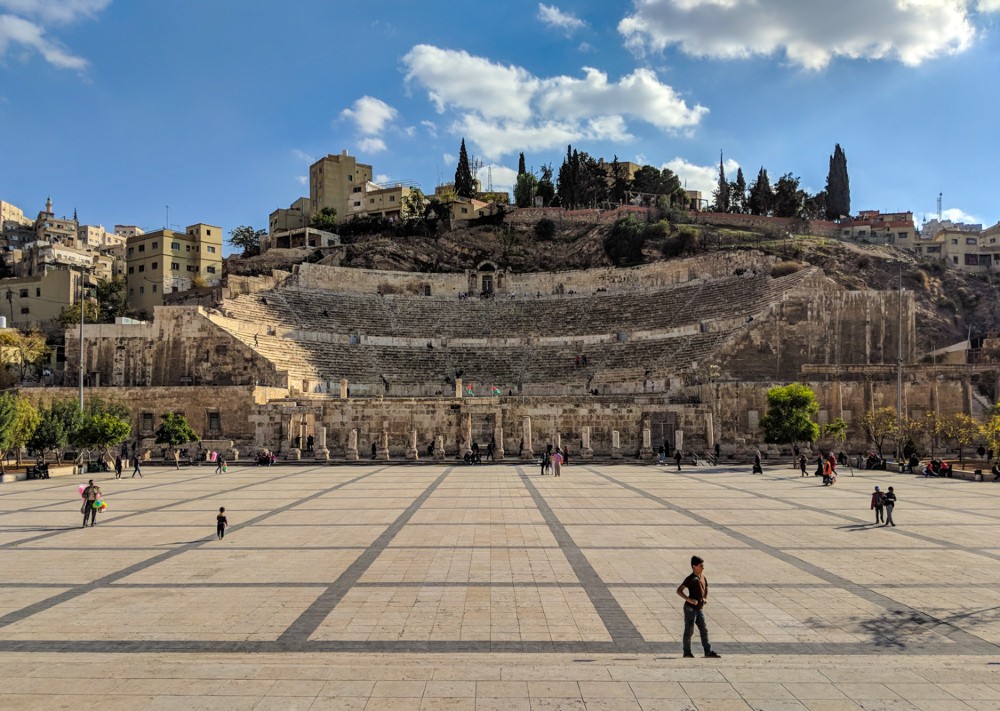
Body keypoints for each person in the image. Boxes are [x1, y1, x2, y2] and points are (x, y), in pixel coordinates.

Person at [676, 555, 720, 659]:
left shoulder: (703, 577)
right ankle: (687, 653)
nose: (703, 567)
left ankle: (707, 651)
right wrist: (689, 599)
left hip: (699, 609)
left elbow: (706, 588)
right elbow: (679, 591)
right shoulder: (690, 578)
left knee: (704, 629)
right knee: (689, 631)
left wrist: (705, 598)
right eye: (701, 565)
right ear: (694, 566)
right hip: (690, 609)